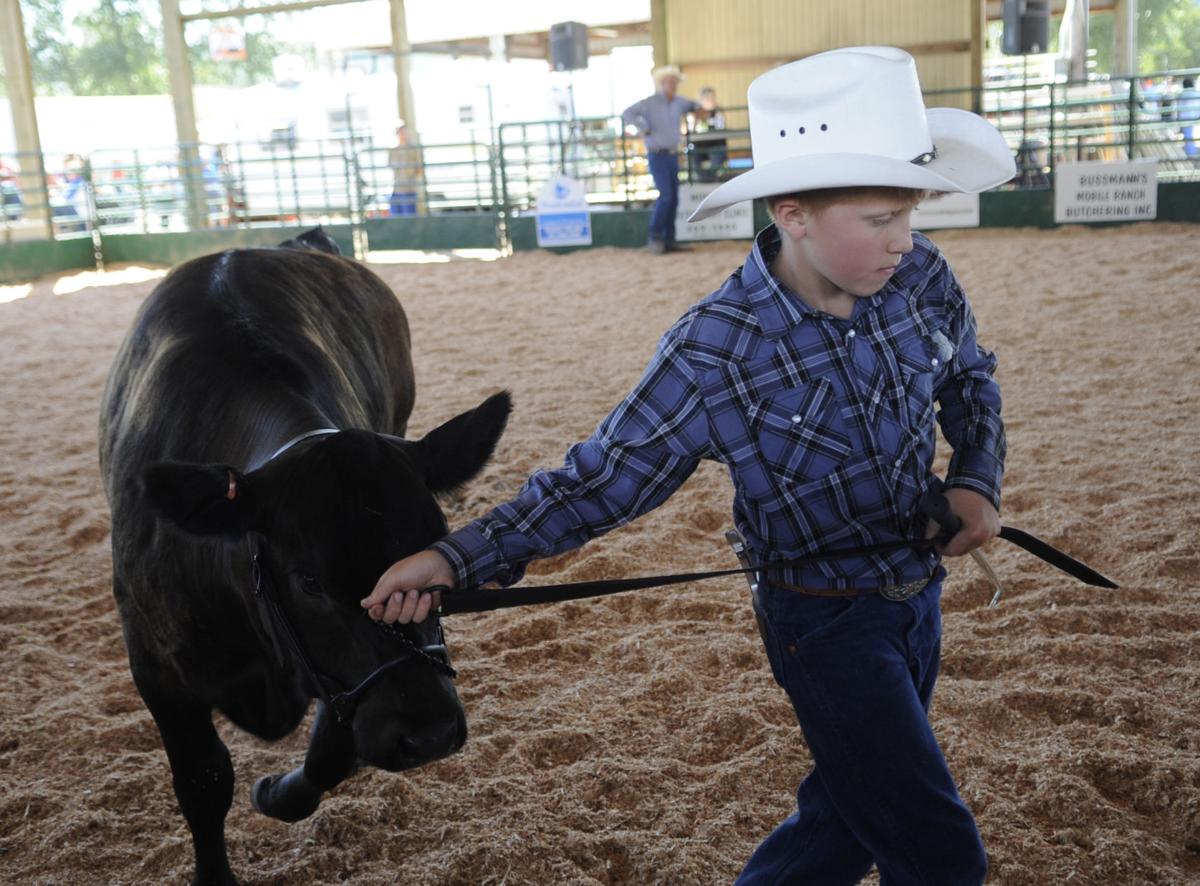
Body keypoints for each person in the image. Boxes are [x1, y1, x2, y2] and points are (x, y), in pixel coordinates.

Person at [363, 46, 1015, 884]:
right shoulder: (716, 348)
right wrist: (456, 557)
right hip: (822, 619)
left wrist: (974, 479)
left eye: (909, 213)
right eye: (881, 219)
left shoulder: (922, 277)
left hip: (918, 596)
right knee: (938, 849)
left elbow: (968, 378)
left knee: (845, 821)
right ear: (794, 214)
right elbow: (602, 479)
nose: (905, 240)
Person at [621, 64, 700, 253]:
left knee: (672, 198)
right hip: (657, 154)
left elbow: (693, 105)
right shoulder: (649, 102)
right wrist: (642, 126)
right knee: (667, 196)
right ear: (662, 83)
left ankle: (668, 239)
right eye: (669, 81)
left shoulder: (679, 102)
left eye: (675, 81)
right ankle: (656, 236)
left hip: (672, 155)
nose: (672, 84)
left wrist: (699, 107)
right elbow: (627, 113)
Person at [688, 86, 728, 182]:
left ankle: (710, 179)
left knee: (717, 155)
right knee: (692, 155)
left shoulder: (718, 112)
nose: (711, 100)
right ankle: (703, 179)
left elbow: (721, 128)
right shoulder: (695, 112)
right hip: (699, 145)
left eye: (712, 97)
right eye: (707, 98)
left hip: (715, 144)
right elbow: (691, 130)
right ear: (701, 100)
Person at [388, 120, 420, 216]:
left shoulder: (413, 149)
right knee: (396, 217)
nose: (402, 134)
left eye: (404, 131)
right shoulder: (392, 150)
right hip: (396, 189)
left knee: (409, 217)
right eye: (400, 131)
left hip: (409, 189)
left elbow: (419, 169)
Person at [1177, 77, 1200, 158]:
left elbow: (1179, 108)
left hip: (1185, 118)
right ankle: (1191, 153)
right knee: (1189, 135)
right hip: (1194, 117)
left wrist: (1178, 120)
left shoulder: (1182, 95)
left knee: (1188, 136)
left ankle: (1191, 154)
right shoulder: (1196, 93)